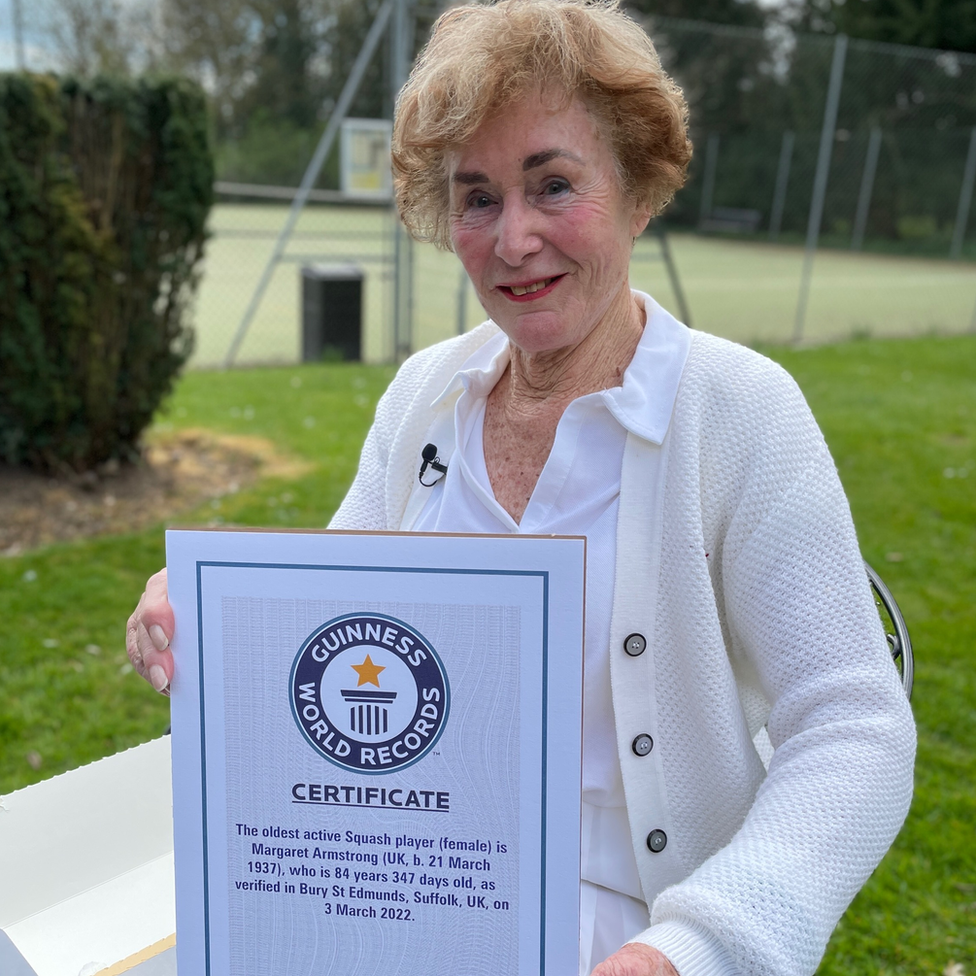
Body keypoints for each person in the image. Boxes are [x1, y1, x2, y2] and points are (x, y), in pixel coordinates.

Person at [127, 2, 916, 974]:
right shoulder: (426, 395)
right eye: (477, 197)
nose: (512, 239)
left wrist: (696, 945)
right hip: (402, 898)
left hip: (631, 926)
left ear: (636, 187)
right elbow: (332, 624)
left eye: (552, 184)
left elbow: (854, 725)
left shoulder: (738, 409)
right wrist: (209, 622)